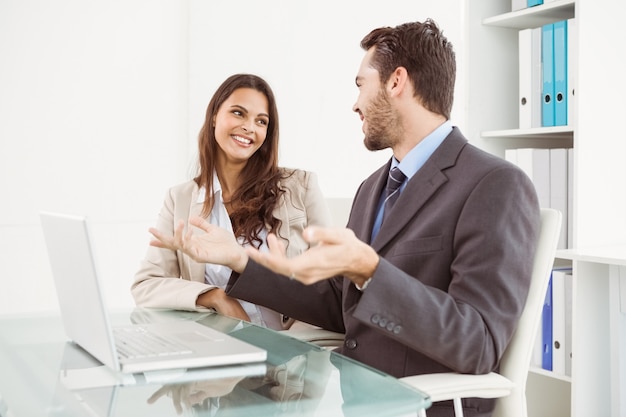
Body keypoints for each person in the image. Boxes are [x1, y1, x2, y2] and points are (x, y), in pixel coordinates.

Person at [151, 20, 540, 417]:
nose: (355, 103)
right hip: (350, 398)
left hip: (419, 406)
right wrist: (238, 260)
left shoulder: (495, 184)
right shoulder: (374, 187)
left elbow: (477, 342)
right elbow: (341, 303)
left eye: (360, 84)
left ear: (396, 82)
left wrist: (370, 270)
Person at [132, 73, 331, 331]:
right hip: (224, 351)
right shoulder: (180, 199)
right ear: (214, 116)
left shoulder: (301, 187)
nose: (250, 127)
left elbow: (331, 282)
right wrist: (214, 296)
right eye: (238, 113)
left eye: (261, 121)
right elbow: (146, 285)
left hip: (292, 354)